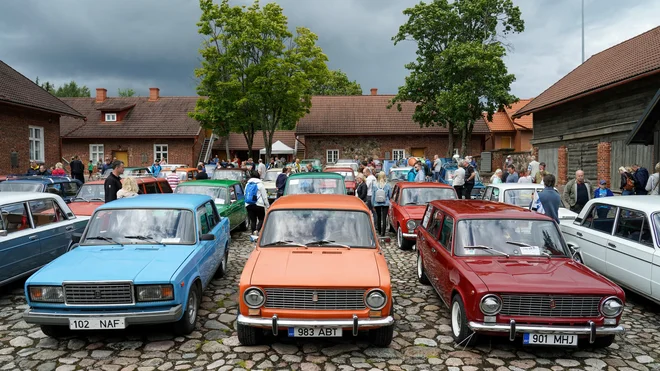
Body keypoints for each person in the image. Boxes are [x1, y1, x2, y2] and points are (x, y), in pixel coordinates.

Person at [372, 172, 391, 236]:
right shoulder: (388, 185)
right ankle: (383, 233)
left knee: (378, 217)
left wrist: (373, 204)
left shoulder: (375, 185)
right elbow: (390, 195)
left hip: (377, 203)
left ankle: (379, 232)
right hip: (385, 203)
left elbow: (373, 196)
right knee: (384, 218)